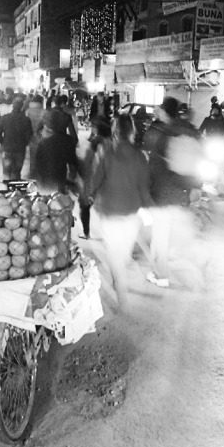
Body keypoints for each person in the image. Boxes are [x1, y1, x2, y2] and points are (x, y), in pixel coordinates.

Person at [88, 114, 154, 311]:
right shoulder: (139, 156)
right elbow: (144, 187)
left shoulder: (105, 151)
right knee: (121, 253)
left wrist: (89, 194)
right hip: (131, 213)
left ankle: (120, 287)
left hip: (108, 211)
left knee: (113, 253)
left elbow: (96, 178)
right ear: (132, 131)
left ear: (114, 131)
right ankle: (120, 282)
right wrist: (149, 207)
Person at [142, 96, 202, 289]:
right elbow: (199, 160)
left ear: (165, 111)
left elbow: (155, 166)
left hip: (163, 194)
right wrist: (196, 186)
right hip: (183, 192)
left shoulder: (164, 134)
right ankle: (193, 264)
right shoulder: (191, 132)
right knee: (178, 233)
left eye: (160, 108)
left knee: (160, 236)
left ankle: (160, 275)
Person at [78, 117, 112, 238]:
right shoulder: (110, 143)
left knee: (84, 206)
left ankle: (86, 232)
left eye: (93, 127)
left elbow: (87, 162)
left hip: (91, 179)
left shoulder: (95, 143)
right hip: (105, 181)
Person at [31, 109, 78, 194]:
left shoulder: (43, 143)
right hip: (60, 178)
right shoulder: (68, 141)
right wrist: (71, 181)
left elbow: (37, 165)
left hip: (45, 179)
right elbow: (72, 164)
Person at [198, 103, 224, 197]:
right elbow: (200, 130)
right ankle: (202, 187)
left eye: (217, 110)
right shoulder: (207, 120)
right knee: (203, 166)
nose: (215, 111)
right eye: (213, 110)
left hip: (219, 146)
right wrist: (200, 138)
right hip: (209, 145)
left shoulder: (223, 121)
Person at [0, 98, 33, 181]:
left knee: (6, 171)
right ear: (22, 107)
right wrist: (25, 143)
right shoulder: (26, 120)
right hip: (20, 148)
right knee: (16, 172)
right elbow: (29, 134)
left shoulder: (4, 118)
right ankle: (15, 189)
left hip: (7, 147)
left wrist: (3, 142)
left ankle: (7, 189)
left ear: (12, 106)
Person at [25, 95, 46, 178]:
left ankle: (32, 173)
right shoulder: (44, 111)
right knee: (42, 156)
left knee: (32, 155)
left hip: (31, 135)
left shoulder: (28, 111)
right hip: (41, 136)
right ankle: (40, 173)